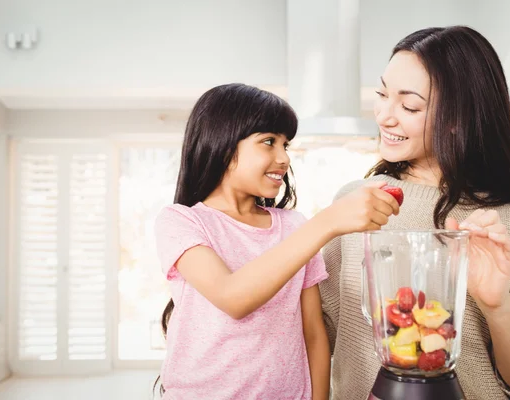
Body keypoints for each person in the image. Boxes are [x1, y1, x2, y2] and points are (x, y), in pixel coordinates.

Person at [320, 26, 510, 400]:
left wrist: (498, 308)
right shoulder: (356, 203)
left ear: (459, 118)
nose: (385, 116)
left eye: (409, 106)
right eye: (382, 94)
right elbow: (316, 334)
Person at [153, 83, 400, 399]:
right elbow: (233, 298)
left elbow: (313, 333)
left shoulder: (295, 226)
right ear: (224, 145)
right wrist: (326, 222)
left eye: (286, 145)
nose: (283, 157)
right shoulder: (182, 221)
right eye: (268, 142)